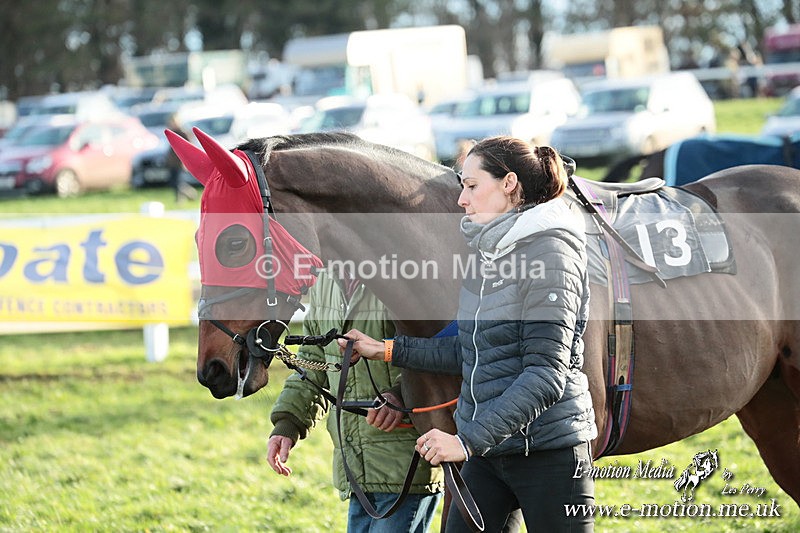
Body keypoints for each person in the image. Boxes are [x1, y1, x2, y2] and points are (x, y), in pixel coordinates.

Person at [338, 136, 597, 532]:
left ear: (509, 184)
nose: (462, 199)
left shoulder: (551, 255)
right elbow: (469, 350)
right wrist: (386, 350)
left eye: (472, 186)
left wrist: (465, 441)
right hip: (488, 452)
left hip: (549, 456)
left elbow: (546, 375)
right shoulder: (487, 254)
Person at [267, 268, 444, 533]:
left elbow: (435, 350)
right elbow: (314, 359)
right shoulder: (324, 279)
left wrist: (399, 394)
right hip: (355, 467)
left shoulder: (404, 273)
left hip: (406, 460)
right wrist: (288, 424)